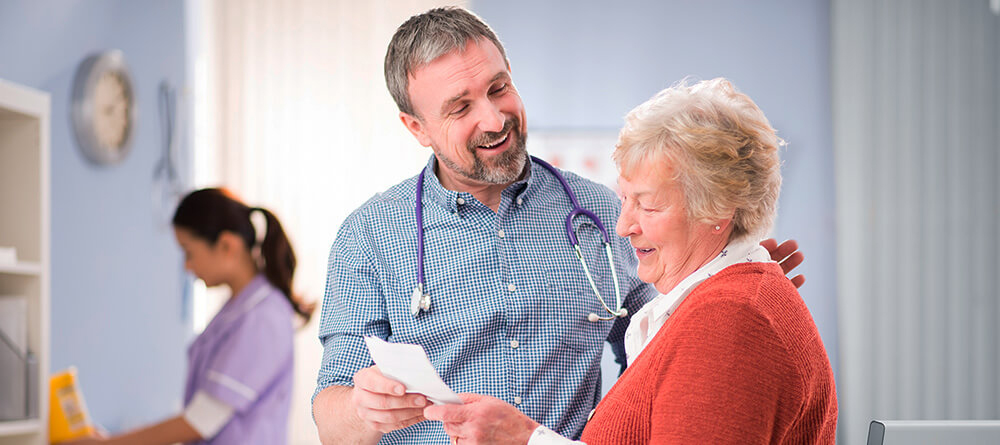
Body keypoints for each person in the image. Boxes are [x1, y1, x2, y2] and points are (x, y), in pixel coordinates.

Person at [311, 7, 805, 444]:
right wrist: (362, 408)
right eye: (460, 107)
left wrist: (720, 274)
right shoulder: (369, 237)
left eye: (499, 88)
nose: (493, 118)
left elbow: (669, 349)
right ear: (416, 127)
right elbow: (330, 421)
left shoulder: (601, 216)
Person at [424, 78, 838, 444]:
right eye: (624, 198)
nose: (623, 227)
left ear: (718, 211)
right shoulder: (723, 299)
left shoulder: (729, 317)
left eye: (650, 207)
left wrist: (526, 440)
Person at [69, 188, 314, 445]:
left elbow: (201, 420)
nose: (187, 266)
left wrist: (110, 444)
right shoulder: (238, 309)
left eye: (188, 252)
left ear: (226, 245)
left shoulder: (264, 316)